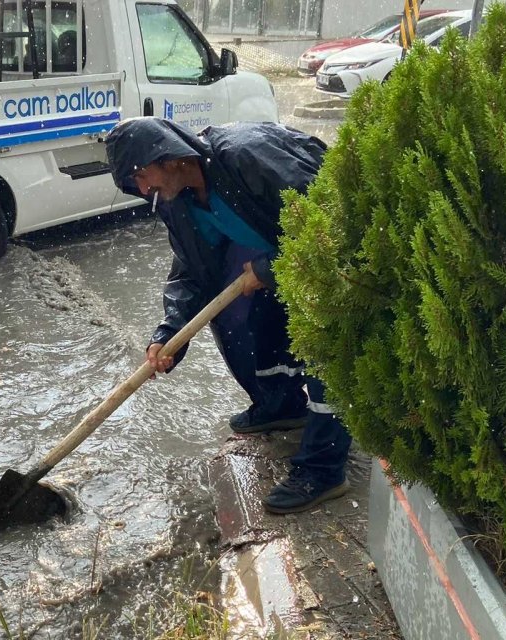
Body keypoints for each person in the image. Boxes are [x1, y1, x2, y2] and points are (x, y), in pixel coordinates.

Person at [104, 117, 352, 513]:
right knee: (253, 325)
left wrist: (270, 268)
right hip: (278, 261)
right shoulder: (176, 202)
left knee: (325, 353)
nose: (145, 190)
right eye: (135, 185)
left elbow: (334, 218)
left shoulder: (245, 156)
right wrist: (170, 335)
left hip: (327, 266)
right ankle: (282, 407)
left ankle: (324, 471)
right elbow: (191, 270)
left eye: (141, 175)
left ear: (165, 155)